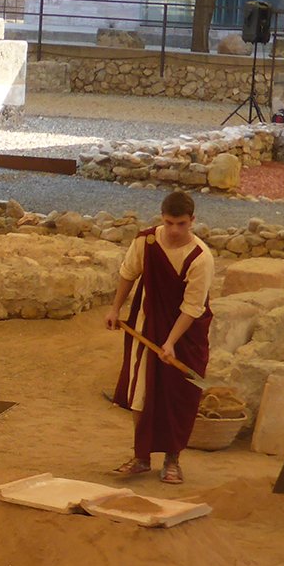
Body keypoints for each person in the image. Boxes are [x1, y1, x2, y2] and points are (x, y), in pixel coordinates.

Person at [106, 189, 213, 485]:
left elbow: (193, 307)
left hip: (186, 334)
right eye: (169, 223)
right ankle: (141, 457)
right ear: (162, 219)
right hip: (147, 326)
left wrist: (171, 342)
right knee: (141, 393)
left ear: (192, 220)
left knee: (178, 396)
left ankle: (172, 459)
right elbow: (129, 273)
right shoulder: (146, 241)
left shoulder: (200, 257)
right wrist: (115, 309)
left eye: (181, 223)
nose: (175, 230)